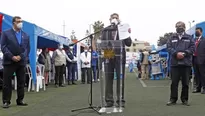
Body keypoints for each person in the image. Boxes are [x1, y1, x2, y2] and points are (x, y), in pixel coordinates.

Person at [101, 13, 132, 107]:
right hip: (108, 55)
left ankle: (120, 100)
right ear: (109, 19)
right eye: (113, 17)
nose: (114, 19)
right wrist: (106, 48)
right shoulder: (105, 30)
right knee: (108, 79)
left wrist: (126, 34)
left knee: (120, 79)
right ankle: (109, 101)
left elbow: (129, 43)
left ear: (119, 19)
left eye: (116, 18)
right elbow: (102, 43)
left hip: (120, 56)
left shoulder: (122, 29)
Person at [0, 16, 30, 108]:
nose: (20, 23)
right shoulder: (6, 33)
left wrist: (21, 56)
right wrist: (12, 56)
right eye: (18, 21)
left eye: (21, 21)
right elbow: (3, 47)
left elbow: (27, 49)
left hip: (21, 62)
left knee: (21, 81)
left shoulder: (25, 35)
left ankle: (20, 100)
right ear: (14, 23)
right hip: (9, 62)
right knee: (7, 82)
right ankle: (6, 101)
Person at [166, 21, 195, 106]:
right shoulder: (171, 37)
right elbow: (169, 47)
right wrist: (176, 53)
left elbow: (193, 48)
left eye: (180, 26)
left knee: (185, 83)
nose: (179, 28)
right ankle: (173, 99)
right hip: (175, 63)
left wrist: (184, 53)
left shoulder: (189, 37)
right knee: (174, 83)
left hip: (186, 63)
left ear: (184, 27)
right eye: (177, 26)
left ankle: (184, 99)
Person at [192, 27, 205, 94]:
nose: (196, 32)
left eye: (198, 31)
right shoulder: (193, 40)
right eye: (196, 31)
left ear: (201, 32)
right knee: (196, 74)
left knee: (203, 74)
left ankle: (204, 88)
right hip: (194, 59)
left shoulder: (204, 40)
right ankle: (198, 87)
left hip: (202, 59)